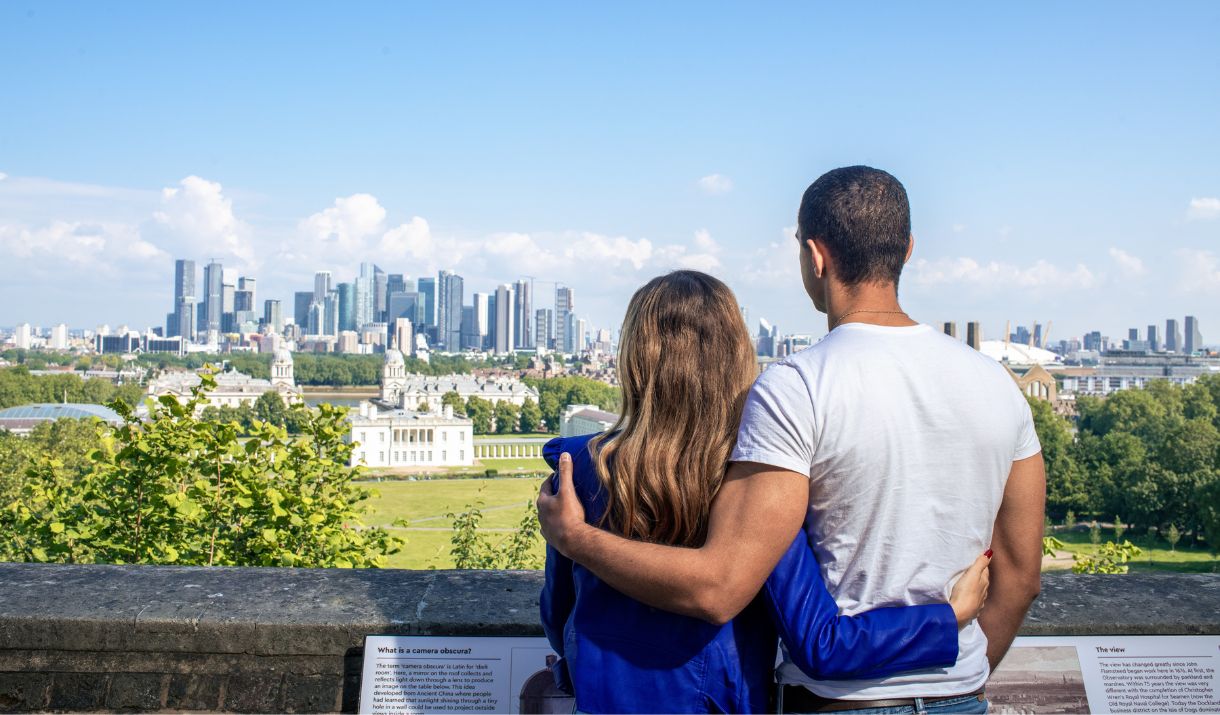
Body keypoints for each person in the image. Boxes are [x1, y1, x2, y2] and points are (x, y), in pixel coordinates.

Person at [539, 166, 1046, 714]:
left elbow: (720, 585)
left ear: (815, 256)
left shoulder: (797, 386)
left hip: (838, 702)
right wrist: (960, 669)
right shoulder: (997, 384)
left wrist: (576, 539)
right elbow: (1020, 577)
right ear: (908, 249)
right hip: (958, 692)